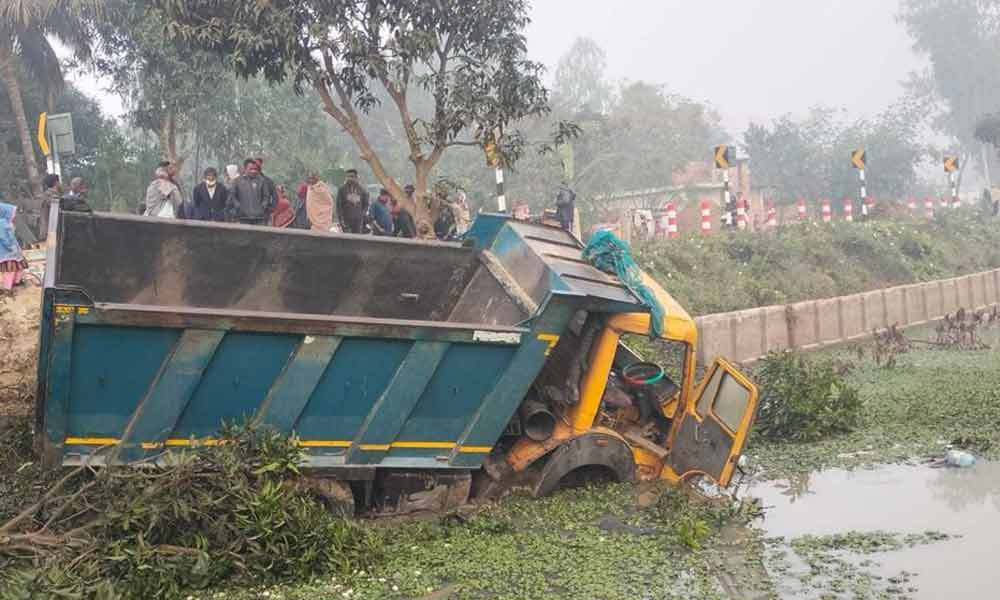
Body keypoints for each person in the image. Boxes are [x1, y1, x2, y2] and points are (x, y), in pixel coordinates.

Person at [227, 158, 276, 225]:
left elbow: (266, 196)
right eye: (251, 169)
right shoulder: (237, 181)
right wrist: (238, 207)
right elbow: (232, 196)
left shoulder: (262, 181)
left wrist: (263, 207)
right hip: (243, 218)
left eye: (255, 169)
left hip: (259, 218)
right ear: (245, 169)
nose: (253, 171)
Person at [0, 202, 28, 290]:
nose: (14, 216)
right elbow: (4, 238)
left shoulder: (6, 222)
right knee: (9, 270)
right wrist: (11, 247)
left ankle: (17, 282)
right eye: (12, 213)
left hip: (13, 251)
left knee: (18, 266)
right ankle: (7, 287)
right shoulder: (2, 223)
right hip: (7, 252)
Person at [336, 168, 369, 233]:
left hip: (358, 222)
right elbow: (338, 206)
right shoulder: (342, 189)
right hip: (346, 220)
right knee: (347, 238)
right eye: (347, 176)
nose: (349, 178)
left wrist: (362, 215)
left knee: (356, 238)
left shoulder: (362, 189)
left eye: (351, 176)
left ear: (356, 177)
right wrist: (341, 220)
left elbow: (366, 204)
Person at [37, 174, 62, 240]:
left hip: (47, 231)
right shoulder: (52, 195)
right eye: (59, 182)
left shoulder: (46, 194)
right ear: (56, 183)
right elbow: (57, 211)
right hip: (51, 233)